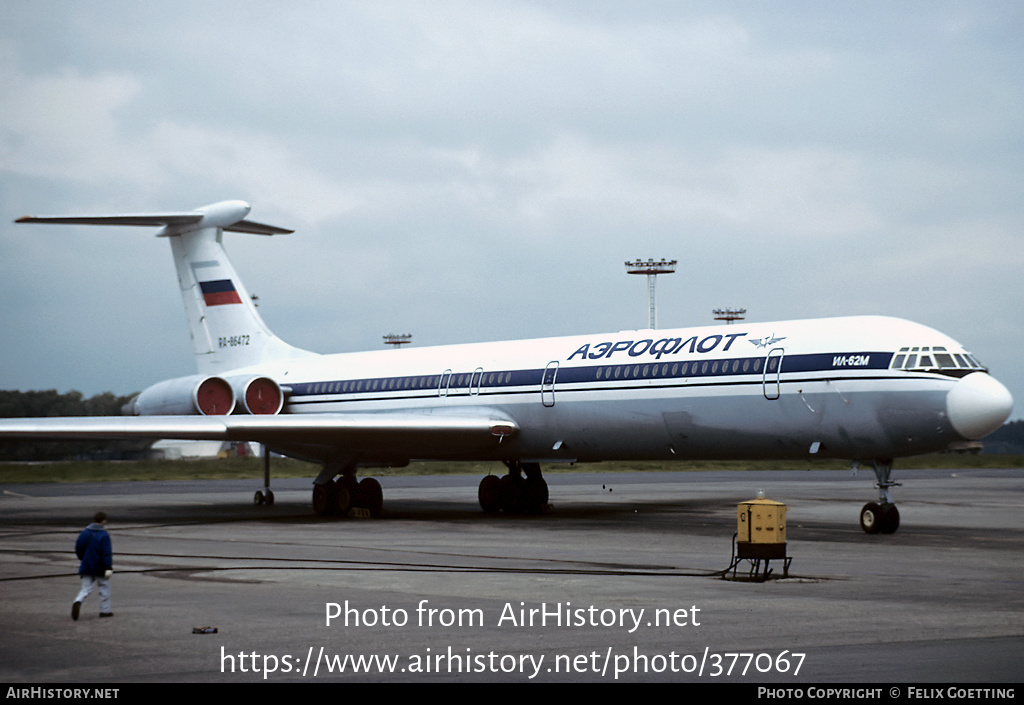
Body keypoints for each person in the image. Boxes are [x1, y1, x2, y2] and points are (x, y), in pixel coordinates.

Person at [72, 511, 113, 620]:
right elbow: (106, 552)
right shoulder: (104, 534)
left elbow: (78, 548)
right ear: (103, 520)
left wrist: (83, 559)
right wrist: (108, 566)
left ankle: (78, 600)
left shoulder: (85, 532)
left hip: (86, 564)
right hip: (100, 566)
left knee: (86, 588)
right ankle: (105, 611)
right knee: (104, 588)